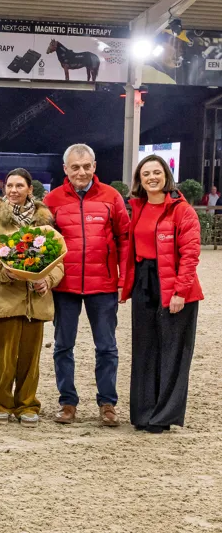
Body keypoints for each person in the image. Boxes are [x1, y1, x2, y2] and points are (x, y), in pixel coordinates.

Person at [43, 144, 130, 427]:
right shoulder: (53, 200)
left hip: (103, 286)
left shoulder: (111, 196)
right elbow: (43, 243)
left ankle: (108, 403)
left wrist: (122, 279)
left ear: (94, 167)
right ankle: (68, 402)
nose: (82, 172)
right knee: (62, 346)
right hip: (65, 287)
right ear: (65, 169)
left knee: (106, 347)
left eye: (86, 166)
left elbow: (125, 239)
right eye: (75, 167)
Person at [0, 168, 64, 427]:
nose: (14, 190)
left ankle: (27, 404)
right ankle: (0, 403)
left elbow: (58, 259)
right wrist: (8, 272)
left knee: (30, 358)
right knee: (3, 358)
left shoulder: (43, 222)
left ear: (29, 189)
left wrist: (48, 279)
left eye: (19, 186)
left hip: (35, 304)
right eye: (10, 185)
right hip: (3, 300)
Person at [120, 155, 203, 434]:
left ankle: (163, 416)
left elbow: (190, 254)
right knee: (144, 348)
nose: (151, 177)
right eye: (146, 174)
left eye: (157, 172)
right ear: (139, 180)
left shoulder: (182, 210)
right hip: (145, 281)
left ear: (166, 176)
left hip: (176, 284)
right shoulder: (138, 208)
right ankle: (143, 413)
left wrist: (180, 291)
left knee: (172, 351)